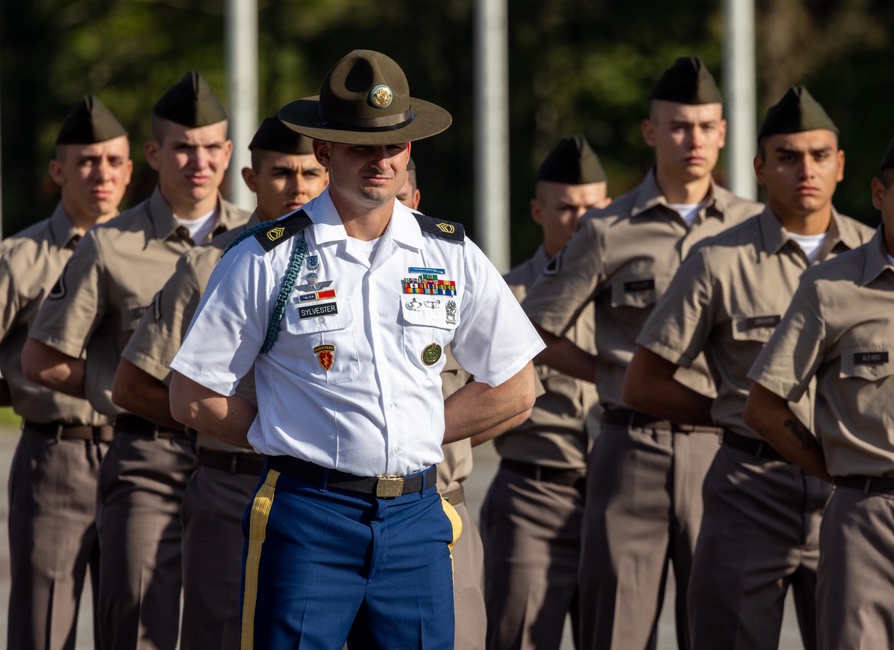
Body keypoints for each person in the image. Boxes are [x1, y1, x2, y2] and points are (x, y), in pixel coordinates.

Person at [168, 49, 542, 650]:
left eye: (392, 145)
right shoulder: (267, 257)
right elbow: (192, 396)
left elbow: (515, 387)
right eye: (361, 145)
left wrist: (409, 433)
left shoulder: (448, 253)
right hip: (308, 516)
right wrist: (290, 434)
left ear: (410, 151)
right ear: (324, 152)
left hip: (419, 518)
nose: (380, 160)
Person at [520, 56, 762, 650]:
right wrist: (609, 371)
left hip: (722, 449)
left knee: (724, 625)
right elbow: (535, 328)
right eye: (678, 126)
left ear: (724, 133)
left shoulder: (753, 228)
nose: (693, 139)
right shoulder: (608, 229)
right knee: (618, 629)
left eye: (706, 126)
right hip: (633, 448)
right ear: (651, 131)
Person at [623, 87, 873, 649]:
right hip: (751, 489)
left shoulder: (874, 260)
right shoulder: (718, 259)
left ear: (841, 166)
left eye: (819, 155)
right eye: (786, 157)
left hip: (850, 493)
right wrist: (737, 415)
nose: (804, 170)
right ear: (760, 168)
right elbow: (644, 383)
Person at [23, 71, 248, 650]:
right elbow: (43, 359)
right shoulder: (109, 243)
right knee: (136, 629)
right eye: (181, 147)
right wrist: (134, 393)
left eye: (209, 148)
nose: (197, 162)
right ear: (153, 153)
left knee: (227, 628)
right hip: (148, 456)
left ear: (227, 154)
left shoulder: (258, 242)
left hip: (234, 463)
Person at [744, 117, 894, 648]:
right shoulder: (831, 286)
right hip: (864, 519)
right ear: (878, 193)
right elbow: (763, 405)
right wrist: (835, 468)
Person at [110, 114, 328, 650]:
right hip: (233, 481)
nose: (297, 187)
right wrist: (248, 429)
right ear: (252, 179)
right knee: (218, 633)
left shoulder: (353, 263)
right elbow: (134, 386)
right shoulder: (208, 263)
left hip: (323, 490)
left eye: (310, 173)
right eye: (281, 173)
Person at [0, 96, 131, 650]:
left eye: (113, 161)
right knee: (43, 629)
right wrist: (16, 391)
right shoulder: (18, 258)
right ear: (58, 171)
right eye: (87, 161)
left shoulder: (155, 253)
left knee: (137, 627)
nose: (102, 173)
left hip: (140, 458)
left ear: (132, 170)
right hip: (55, 457)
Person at [479, 135, 608, 650]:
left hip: (615, 497)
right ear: (537, 210)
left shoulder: (631, 296)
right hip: (534, 496)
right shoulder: (504, 298)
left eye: (593, 208)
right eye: (565, 208)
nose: (579, 220)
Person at [395, 157, 488, 650]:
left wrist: (415, 438)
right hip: (339, 511)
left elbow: (512, 393)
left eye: (400, 197)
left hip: (442, 506)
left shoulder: (452, 267)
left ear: (416, 201)